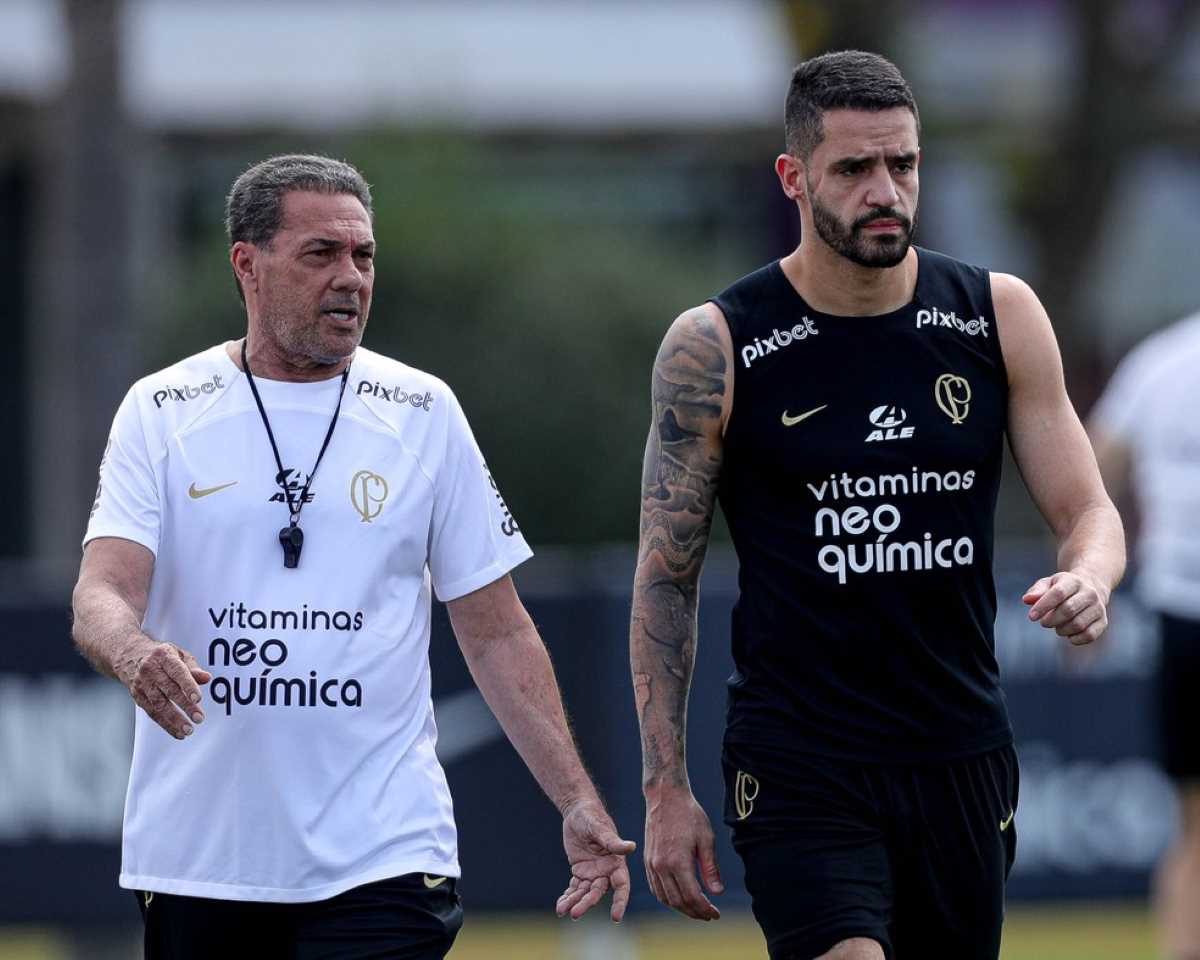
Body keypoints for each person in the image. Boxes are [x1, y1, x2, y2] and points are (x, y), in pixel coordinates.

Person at [72, 154, 633, 959]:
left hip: (386, 856)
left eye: (363, 256)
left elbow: (497, 630)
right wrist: (134, 653)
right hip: (201, 861)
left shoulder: (424, 410)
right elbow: (101, 593)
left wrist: (575, 800)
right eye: (321, 254)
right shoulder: (160, 411)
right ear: (248, 265)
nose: (352, 278)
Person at [629, 51, 1125, 960]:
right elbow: (666, 580)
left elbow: (1090, 510)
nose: (886, 190)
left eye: (904, 165)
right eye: (855, 169)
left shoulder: (996, 315)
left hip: (960, 747)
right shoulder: (716, 345)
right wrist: (665, 787)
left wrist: (1090, 578)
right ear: (794, 177)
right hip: (801, 756)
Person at [1089, 313, 1200, 960]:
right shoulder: (1160, 359)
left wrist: (1086, 574)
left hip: (1179, 608)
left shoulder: (1159, 361)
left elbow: (1092, 472)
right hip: (1182, 607)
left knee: (1193, 827)